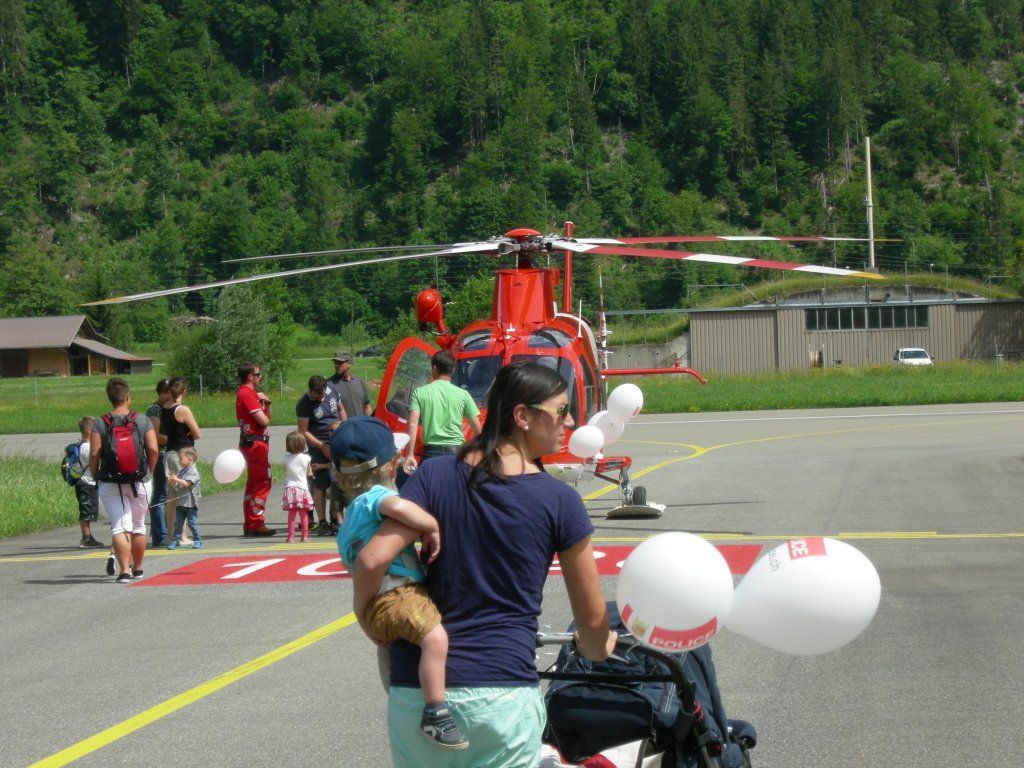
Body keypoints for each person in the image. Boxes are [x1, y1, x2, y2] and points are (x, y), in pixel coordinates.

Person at [354, 361, 615, 767]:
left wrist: (366, 616)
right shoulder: (559, 501)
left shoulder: (432, 476)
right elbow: (593, 621)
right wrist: (598, 648)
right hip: (500, 695)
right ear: (522, 416)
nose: (570, 422)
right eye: (561, 411)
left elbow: (371, 560)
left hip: (417, 694)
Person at [332, 417, 467, 752]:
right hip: (396, 594)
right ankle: (436, 712)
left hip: (381, 597)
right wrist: (430, 525)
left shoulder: (350, 513)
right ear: (391, 465)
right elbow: (396, 507)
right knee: (434, 638)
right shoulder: (374, 499)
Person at [89, 378, 159, 584]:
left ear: (110, 399)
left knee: (119, 526)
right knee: (138, 525)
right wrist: (150, 471)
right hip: (140, 480)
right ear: (127, 397)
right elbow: (153, 449)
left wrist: (95, 474)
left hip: (111, 482)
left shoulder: (100, 423)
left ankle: (124, 571)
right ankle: (138, 569)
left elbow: (94, 453)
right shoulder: (142, 420)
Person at [403, 350, 481, 475]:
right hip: (455, 454)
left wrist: (410, 454)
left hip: (430, 454)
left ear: (434, 368)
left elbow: (412, 424)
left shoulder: (420, 393)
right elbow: (477, 429)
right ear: (453, 369)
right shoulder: (463, 395)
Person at [296, 374, 345, 535]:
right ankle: (322, 521)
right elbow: (303, 431)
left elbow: (341, 409)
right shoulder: (304, 404)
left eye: (322, 394)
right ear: (311, 391)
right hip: (318, 443)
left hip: (337, 438)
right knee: (321, 482)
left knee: (339, 480)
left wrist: (345, 426)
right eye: (317, 395)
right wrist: (321, 446)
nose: (320, 398)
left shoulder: (331, 389)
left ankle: (336, 519)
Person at [327, 351, 371, 522]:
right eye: (335, 363)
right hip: (341, 437)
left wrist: (369, 424)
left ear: (349, 363)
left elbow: (366, 405)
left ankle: (360, 513)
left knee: (361, 476)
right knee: (339, 478)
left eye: (340, 362)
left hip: (360, 435)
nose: (337, 365)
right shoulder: (330, 384)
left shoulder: (358, 382)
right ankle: (336, 518)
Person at [236, 361, 276, 537]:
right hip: (255, 445)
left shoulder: (247, 393)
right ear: (250, 376)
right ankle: (256, 523)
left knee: (253, 484)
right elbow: (264, 421)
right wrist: (266, 403)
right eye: (258, 374)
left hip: (254, 443)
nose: (260, 377)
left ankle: (250, 522)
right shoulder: (247, 394)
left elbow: (266, 417)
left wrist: (267, 404)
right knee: (262, 482)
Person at [161, 376, 201, 545]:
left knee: (172, 496)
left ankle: (171, 535)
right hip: (182, 453)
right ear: (184, 391)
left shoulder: (165, 407)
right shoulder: (182, 410)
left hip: (169, 452)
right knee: (184, 496)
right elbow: (197, 433)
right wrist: (190, 433)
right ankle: (183, 536)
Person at [145, 379, 172, 546]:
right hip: (161, 455)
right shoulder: (155, 410)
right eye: (167, 393)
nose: (169, 396)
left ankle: (167, 532)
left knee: (168, 495)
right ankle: (159, 535)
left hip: (170, 454)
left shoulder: (168, 409)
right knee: (160, 495)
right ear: (162, 393)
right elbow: (154, 435)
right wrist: (175, 439)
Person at [71, 416, 103, 548]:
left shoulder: (81, 444)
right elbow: (93, 463)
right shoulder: (87, 447)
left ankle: (88, 536)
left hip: (83, 481)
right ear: (89, 431)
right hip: (87, 481)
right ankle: (86, 538)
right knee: (85, 510)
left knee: (87, 510)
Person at [282, 431, 318, 543]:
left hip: (290, 488)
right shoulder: (306, 458)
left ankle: (291, 536)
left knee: (291, 514)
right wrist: (311, 474)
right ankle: (305, 536)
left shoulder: (285, 458)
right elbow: (309, 473)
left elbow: (286, 470)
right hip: (302, 488)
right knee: (303, 513)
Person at [166, 447, 201, 550]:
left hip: (190, 504)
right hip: (180, 503)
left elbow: (186, 484)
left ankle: (197, 540)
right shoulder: (182, 471)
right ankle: (176, 541)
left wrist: (176, 479)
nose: (179, 461)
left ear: (189, 459)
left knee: (192, 523)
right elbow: (177, 485)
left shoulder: (194, 471)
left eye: (181, 459)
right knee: (178, 524)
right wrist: (172, 480)